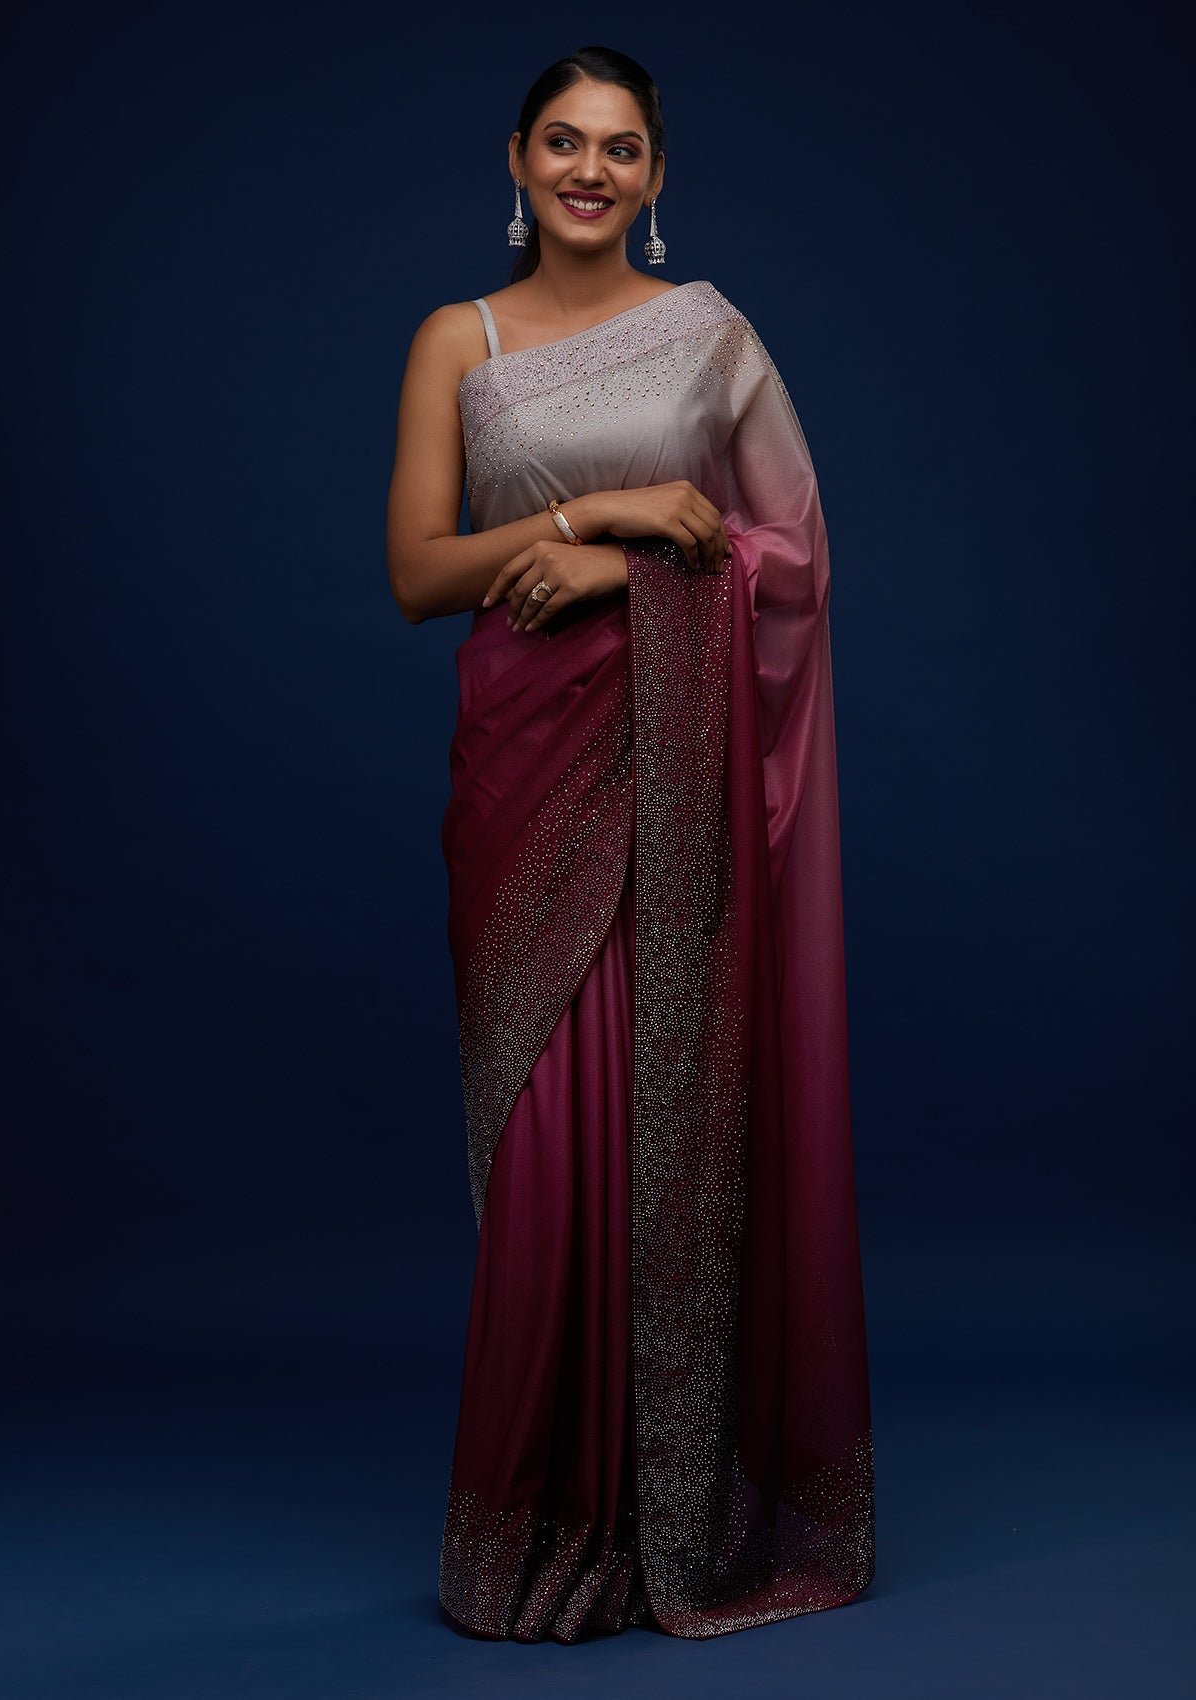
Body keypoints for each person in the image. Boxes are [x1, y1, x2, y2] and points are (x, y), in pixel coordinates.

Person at [385, 43, 876, 1644]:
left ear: (656, 176)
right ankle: (543, 1523)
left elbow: (791, 553)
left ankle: (666, 1510)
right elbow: (418, 572)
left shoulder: (710, 335)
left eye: (619, 148)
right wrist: (588, 522)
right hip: (523, 779)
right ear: (516, 161)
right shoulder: (457, 340)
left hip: (677, 786)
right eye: (561, 141)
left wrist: (631, 572)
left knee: (669, 1130)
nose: (588, 171)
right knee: (544, 1157)